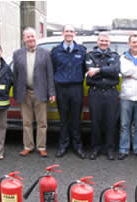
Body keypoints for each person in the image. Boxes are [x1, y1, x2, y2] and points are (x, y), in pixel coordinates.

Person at [13, 27, 56, 157]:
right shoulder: (17, 54)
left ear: (36, 37)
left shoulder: (45, 53)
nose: (31, 38)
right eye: (28, 36)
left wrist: (52, 92)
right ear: (24, 39)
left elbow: (50, 74)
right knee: (26, 122)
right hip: (24, 92)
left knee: (42, 122)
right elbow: (16, 75)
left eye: (33, 36)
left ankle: (41, 147)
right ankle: (28, 146)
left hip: (40, 92)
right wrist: (16, 93)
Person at [51, 24, 86, 159]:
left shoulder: (81, 51)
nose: (69, 33)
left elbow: (84, 70)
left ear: (75, 34)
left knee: (76, 119)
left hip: (76, 88)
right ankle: (63, 145)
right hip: (61, 89)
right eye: (67, 31)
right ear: (63, 33)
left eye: (71, 31)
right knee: (63, 119)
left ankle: (78, 147)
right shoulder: (55, 51)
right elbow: (53, 71)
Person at [85, 33, 120, 160]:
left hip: (111, 92)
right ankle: (96, 148)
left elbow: (116, 70)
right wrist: (107, 70)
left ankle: (109, 149)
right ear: (97, 41)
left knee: (110, 122)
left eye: (106, 41)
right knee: (96, 122)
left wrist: (99, 70)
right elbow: (90, 71)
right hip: (95, 92)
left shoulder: (115, 56)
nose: (104, 43)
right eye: (102, 40)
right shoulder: (90, 55)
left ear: (109, 42)